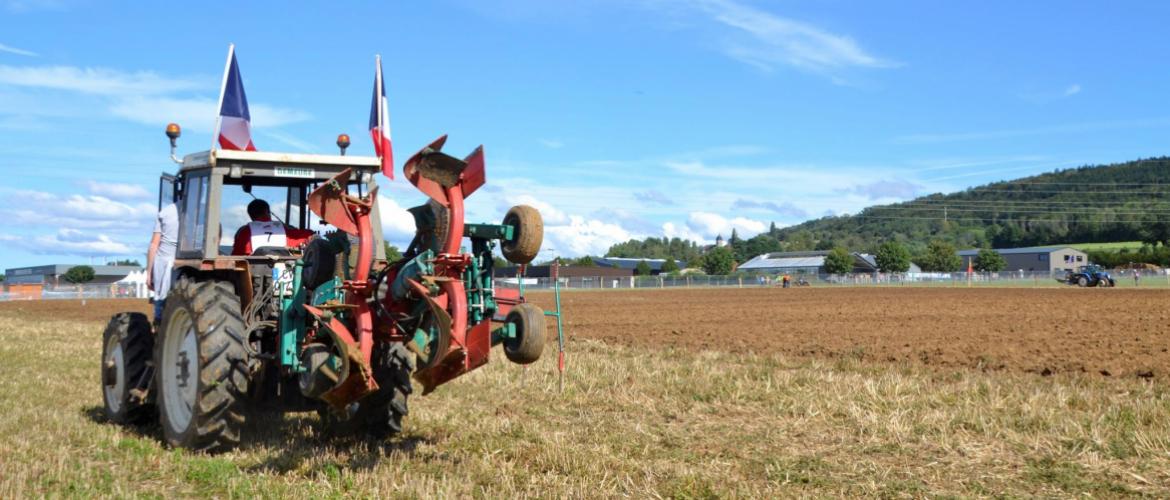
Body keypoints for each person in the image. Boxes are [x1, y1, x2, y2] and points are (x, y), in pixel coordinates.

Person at [231, 199, 315, 255]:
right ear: (268, 212)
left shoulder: (243, 232)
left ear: (250, 215)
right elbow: (309, 236)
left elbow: (236, 256)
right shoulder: (286, 230)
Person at [147, 202, 179, 325]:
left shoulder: (166, 212)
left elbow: (154, 245)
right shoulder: (205, 211)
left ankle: (159, 325)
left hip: (165, 264)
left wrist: (149, 273)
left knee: (160, 304)